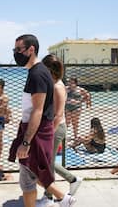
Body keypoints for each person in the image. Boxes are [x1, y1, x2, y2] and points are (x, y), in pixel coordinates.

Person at [8, 34, 76, 207]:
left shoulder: (37, 74)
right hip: (37, 131)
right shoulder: (38, 72)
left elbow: (37, 111)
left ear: (31, 50)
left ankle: (64, 199)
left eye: (18, 50)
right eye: (14, 50)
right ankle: (64, 198)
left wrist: (26, 142)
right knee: (32, 174)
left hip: (36, 133)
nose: (16, 53)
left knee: (28, 179)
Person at [37, 54, 82, 206]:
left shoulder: (57, 86)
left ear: (51, 70)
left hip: (55, 129)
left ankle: (48, 197)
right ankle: (72, 179)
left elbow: (57, 115)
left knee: (46, 163)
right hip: (53, 128)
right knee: (47, 162)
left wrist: (47, 134)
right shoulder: (54, 83)